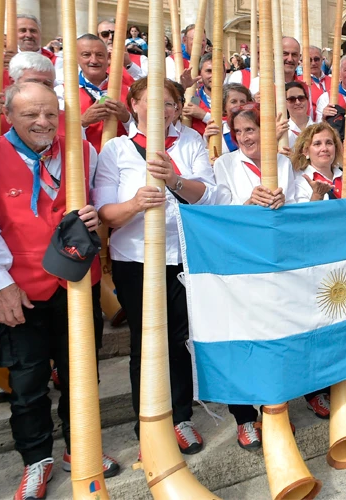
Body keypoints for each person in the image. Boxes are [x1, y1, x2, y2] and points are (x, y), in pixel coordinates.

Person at [0, 82, 121, 500]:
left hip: (78, 283)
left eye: (49, 113)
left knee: (82, 374)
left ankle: (78, 449)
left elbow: (99, 207)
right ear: (9, 116)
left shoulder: (82, 150)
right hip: (20, 290)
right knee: (27, 385)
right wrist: (0, 286)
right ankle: (36, 460)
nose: (43, 122)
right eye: (30, 115)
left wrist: (96, 218)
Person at [95, 77, 216, 457]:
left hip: (183, 255)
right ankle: (148, 421)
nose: (159, 110)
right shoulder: (116, 149)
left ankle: (180, 416)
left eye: (168, 103)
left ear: (177, 110)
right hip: (135, 259)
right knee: (145, 343)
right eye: (151, 101)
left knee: (180, 340)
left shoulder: (190, 143)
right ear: (134, 104)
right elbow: (105, 213)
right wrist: (134, 204)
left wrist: (174, 179)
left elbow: (209, 195)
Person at [212, 103, 296, 446]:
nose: (246, 137)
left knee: (276, 335)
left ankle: (277, 405)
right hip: (238, 262)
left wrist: (281, 202)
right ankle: (244, 417)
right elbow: (217, 209)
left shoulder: (283, 162)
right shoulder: (223, 163)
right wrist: (248, 204)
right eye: (239, 132)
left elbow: (295, 205)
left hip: (276, 260)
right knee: (241, 338)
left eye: (252, 129)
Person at [290, 122, 344, 417]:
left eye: (329, 143)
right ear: (306, 151)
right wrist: (315, 197)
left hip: (344, 262)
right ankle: (314, 392)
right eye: (318, 144)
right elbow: (297, 226)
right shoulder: (299, 180)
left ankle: (338, 383)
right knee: (315, 327)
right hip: (313, 264)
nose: (324, 148)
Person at [54, 34, 132, 153]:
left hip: (121, 161)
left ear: (108, 58)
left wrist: (126, 118)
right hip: (81, 162)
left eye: (100, 55)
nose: (94, 60)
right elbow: (54, 134)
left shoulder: (129, 91)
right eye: (86, 55)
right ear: (76, 58)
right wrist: (83, 122)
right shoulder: (62, 92)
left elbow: (146, 132)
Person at [282, 81, 316, 153]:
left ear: (307, 100)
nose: (298, 102)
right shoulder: (282, 133)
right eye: (292, 99)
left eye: (301, 98)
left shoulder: (319, 129)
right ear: (285, 103)